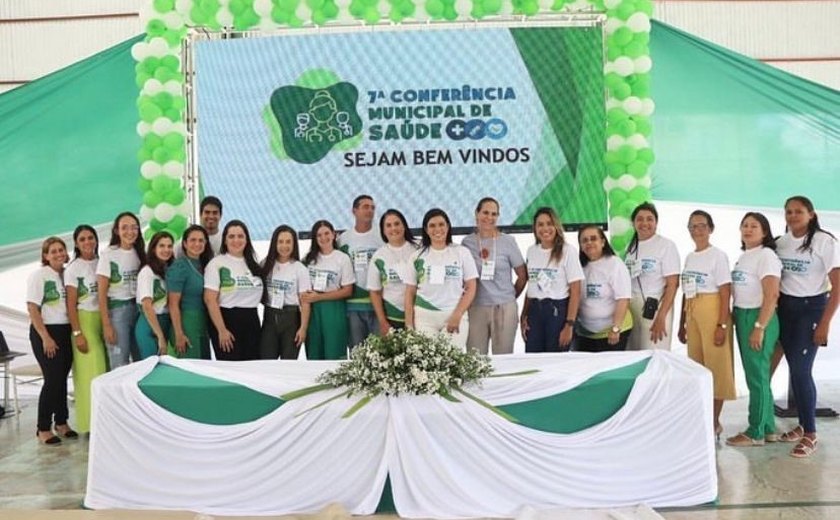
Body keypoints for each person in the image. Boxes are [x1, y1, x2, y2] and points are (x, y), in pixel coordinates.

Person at [774, 195, 840, 457]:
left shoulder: (825, 241)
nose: (792, 216)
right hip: (785, 310)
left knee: (802, 371)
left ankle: (810, 433)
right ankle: (801, 425)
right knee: (794, 370)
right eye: (788, 211)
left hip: (810, 310)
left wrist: (824, 323)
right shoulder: (781, 243)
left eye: (798, 212)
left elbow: (837, 286)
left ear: (811, 214)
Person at [677, 210, 736, 440]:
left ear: (710, 229)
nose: (697, 230)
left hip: (713, 311)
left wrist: (721, 325)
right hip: (693, 311)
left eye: (701, 225)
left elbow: (725, 291)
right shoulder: (690, 257)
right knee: (697, 367)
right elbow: (686, 290)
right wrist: (682, 322)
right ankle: (701, 416)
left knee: (716, 368)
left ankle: (714, 421)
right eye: (692, 226)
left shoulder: (717, 256)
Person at [726, 212, 782, 448]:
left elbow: (772, 294)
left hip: (758, 317)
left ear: (765, 232)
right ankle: (768, 428)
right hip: (743, 314)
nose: (748, 229)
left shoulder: (766, 256)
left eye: (754, 226)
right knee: (759, 376)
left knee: (757, 378)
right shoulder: (745, 256)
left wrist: (759, 327)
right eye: (745, 226)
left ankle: (755, 431)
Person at [404, 208, 478, 349]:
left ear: (448, 226)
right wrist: (409, 325)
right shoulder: (417, 256)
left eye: (441, 224)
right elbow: (409, 292)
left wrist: (457, 315)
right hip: (424, 317)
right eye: (432, 225)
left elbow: (471, 286)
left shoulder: (461, 252)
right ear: (426, 229)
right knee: (429, 364)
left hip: (454, 315)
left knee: (452, 362)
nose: (437, 229)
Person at [462, 197, 527, 355]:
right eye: (485, 212)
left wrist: (509, 296)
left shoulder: (508, 242)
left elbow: (522, 276)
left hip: (504, 308)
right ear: (477, 213)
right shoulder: (467, 243)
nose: (489, 217)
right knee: (475, 360)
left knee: (503, 359)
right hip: (476, 307)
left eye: (494, 214)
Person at [27, 237, 76, 444]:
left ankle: (62, 422)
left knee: (61, 379)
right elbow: (32, 308)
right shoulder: (40, 276)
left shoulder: (68, 274)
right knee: (52, 379)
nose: (58, 254)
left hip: (66, 330)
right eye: (53, 251)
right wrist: (45, 337)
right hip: (46, 332)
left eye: (61, 250)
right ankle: (43, 427)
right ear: (46, 256)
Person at [64, 225, 108, 434]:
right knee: (92, 372)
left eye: (91, 238)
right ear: (76, 243)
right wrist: (78, 333)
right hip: (84, 321)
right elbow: (71, 305)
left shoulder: (103, 262)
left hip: (104, 318)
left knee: (107, 371)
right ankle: (91, 424)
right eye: (82, 239)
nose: (87, 242)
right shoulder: (73, 269)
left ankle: (108, 421)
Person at [520, 207, 583, 353]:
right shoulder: (532, 251)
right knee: (533, 358)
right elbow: (532, 286)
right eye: (540, 224)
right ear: (535, 228)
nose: (545, 228)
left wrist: (569, 324)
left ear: (556, 226)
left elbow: (576, 291)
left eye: (549, 223)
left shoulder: (568, 251)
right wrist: (524, 315)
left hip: (557, 312)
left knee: (555, 359)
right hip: (535, 310)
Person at [204, 220, 263, 361]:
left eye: (240, 236)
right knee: (231, 368)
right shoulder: (216, 263)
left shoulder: (253, 264)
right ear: (225, 240)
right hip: (226, 321)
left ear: (247, 239)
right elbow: (210, 299)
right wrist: (221, 330)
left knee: (252, 367)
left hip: (252, 320)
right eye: (231, 236)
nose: (236, 240)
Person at [624, 202, 680, 350]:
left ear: (656, 223)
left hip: (656, 307)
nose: (645, 223)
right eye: (640, 219)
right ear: (634, 223)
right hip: (632, 308)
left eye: (650, 219)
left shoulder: (666, 245)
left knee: (654, 355)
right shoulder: (630, 247)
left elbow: (673, 284)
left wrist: (661, 317)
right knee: (633, 352)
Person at [97, 212, 145, 369]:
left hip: (138, 311)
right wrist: (106, 325)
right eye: (125, 228)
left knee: (141, 361)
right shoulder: (109, 254)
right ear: (117, 231)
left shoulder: (140, 253)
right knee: (120, 362)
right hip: (118, 312)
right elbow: (102, 294)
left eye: (134, 227)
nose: (130, 232)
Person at [301, 220, 355, 360]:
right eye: (319, 235)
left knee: (334, 354)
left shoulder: (342, 258)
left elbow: (348, 290)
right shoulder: (308, 259)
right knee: (314, 353)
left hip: (334, 310)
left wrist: (319, 297)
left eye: (326, 233)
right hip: (312, 312)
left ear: (334, 235)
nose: (323, 238)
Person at [576, 225, 633, 352]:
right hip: (585, 333)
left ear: (602, 242)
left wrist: (615, 329)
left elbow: (623, 298)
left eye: (593, 238)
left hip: (612, 333)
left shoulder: (615, 264)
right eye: (584, 240)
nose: (589, 243)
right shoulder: (579, 266)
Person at [260, 225, 312, 360]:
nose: (284, 246)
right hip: (270, 317)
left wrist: (303, 328)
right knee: (266, 360)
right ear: (274, 243)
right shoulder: (266, 264)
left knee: (288, 363)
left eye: (288, 242)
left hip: (291, 319)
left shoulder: (300, 268)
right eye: (281, 242)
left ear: (294, 244)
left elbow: (305, 302)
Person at [338, 195, 383, 347]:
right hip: (353, 307)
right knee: (358, 356)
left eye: (372, 207)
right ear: (354, 210)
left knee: (379, 355)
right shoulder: (343, 239)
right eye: (365, 207)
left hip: (378, 305)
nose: (370, 210)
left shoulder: (382, 235)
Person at [167, 225, 214, 359]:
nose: (197, 244)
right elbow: (173, 304)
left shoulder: (206, 265)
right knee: (191, 367)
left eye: (201, 240)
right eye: (193, 240)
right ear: (185, 244)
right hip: (187, 323)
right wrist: (179, 333)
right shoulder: (179, 267)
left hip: (202, 322)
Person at [368, 209, 418, 334]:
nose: (393, 228)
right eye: (388, 225)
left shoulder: (419, 248)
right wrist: (383, 322)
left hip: (419, 317)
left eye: (397, 224)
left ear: (404, 226)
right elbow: (375, 292)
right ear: (383, 231)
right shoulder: (379, 256)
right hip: (392, 318)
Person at [135, 232, 175, 360]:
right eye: (162, 246)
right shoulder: (147, 272)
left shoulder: (168, 269)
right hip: (150, 326)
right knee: (153, 367)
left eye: (169, 246)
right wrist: (160, 337)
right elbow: (147, 306)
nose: (166, 250)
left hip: (165, 322)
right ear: (153, 248)